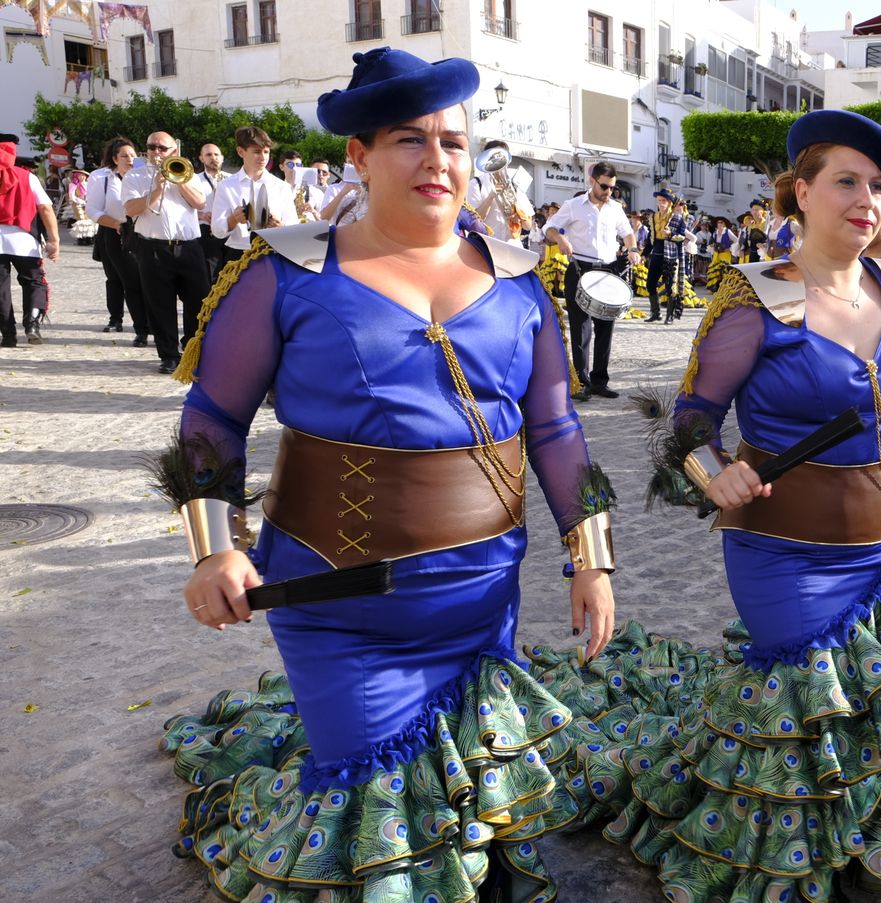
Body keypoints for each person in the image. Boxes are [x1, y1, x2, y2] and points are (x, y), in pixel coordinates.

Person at [158, 46, 616, 902]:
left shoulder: (522, 283)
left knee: (459, 785)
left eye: (453, 140)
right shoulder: (285, 272)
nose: (438, 161)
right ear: (359, 157)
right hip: (338, 603)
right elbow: (213, 418)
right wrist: (214, 547)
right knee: (374, 807)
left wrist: (590, 557)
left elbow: (555, 426)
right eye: (410, 139)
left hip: (482, 599)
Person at [594, 108, 881, 902]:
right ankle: (786, 848)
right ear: (801, 192)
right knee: (805, 700)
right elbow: (692, 415)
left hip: (879, 543)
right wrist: (710, 468)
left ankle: (858, 830)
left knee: (865, 698)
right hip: (780, 546)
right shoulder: (751, 298)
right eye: (848, 182)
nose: (869, 200)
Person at [545, 160, 641, 401]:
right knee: (581, 328)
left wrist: (633, 249)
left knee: (606, 328)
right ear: (592, 180)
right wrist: (561, 239)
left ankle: (600, 381)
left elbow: (627, 233)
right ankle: (581, 382)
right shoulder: (574, 205)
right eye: (605, 186)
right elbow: (549, 228)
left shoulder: (615, 208)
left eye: (612, 188)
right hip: (580, 269)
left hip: (608, 270)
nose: (608, 192)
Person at [123, 130, 211, 374]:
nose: (156, 152)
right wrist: (157, 190)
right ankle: (169, 355)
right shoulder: (135, 176)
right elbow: (131, 209)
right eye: (152, 147)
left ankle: (193, 351)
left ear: (175, 151)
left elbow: (200, 203)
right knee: (160, 304)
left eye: (162, 148)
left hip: (189, 246)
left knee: (198, 301)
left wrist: (179, 182)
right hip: (153, 247)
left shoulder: (188, 173)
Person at [0, 137, 59, 347]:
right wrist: (54, 239)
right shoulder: (26, 177)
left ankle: (8, 335)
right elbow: (45, 208)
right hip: (23, 239)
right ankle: (32, 324)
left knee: (0, 289)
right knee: (33, 282)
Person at [86, 137, 147, 341]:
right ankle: (134, 325)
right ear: (114, 158)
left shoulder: (144, 175)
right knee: (123, 280)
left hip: (145, 231)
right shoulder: (102, 177)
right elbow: (92, 209)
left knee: (148, 281)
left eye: (132, 155)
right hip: (115, 230)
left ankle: (151, 324)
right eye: (124, 156)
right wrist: (116, 224)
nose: (130, 159)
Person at [210, 126, 297, 269]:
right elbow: (217, 231)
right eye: (257, 152)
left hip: (272, 253)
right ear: (240, 151)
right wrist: (234, 219)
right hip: (238, 254)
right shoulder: (226, 186)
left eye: (266, 152)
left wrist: (280, 226)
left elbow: (293, 229)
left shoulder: (281, 187)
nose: (263, 157)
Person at [466, 138, 533, 243]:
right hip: (487, 244)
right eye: (494, 157)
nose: (498, 161)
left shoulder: (515, 184)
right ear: (487, 159)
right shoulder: (476, 184)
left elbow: (529, 226)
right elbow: (474, 222)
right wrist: (491, 196)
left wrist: (520, 217)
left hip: (512, 245)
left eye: (502, 157)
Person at [644, 187, 690, 322]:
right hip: (656, 253)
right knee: (650, 284)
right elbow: (650, 238)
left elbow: (682, 237)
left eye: (664, 200)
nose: (661, 203)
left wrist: (670, 234)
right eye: (659, 200)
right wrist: (644, 254)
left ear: (670, 202)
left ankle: (670, 315)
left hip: (670, 254)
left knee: (671, 286)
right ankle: (655, 312)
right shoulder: (654, 217)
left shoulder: (678, 217)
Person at [194, 142, 230, 283]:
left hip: (230, 230)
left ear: (222, 158)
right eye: (208, 155)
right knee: (211, 276)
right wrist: (201, 215)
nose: (213, 158)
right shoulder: (193, 180)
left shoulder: (232, 179)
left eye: (216, 154)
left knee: (232, 274)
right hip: (206, 232)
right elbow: (185, 208)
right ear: (201, 158)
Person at [705, 214, 735, 291]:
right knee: (715, 270)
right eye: (718, 222)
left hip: (725, 254)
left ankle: (725, 288)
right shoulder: (715, 233)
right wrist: (712, 246)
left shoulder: (728, 231)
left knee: (724, 269)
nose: (720, 224)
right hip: (716, 254)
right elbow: (711, 243)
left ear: (724, 224)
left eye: (721, 222)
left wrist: (730, 249)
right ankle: (714, 287)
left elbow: (737, 241)